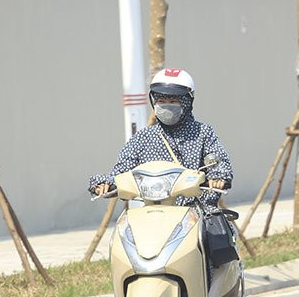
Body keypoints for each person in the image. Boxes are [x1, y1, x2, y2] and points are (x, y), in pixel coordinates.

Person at [89, 68, 233, 208]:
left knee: (219, 232)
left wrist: (218, 177)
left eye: (173, 101)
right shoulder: (143, 138)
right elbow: (121, 172)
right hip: (152, 213)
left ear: (187, 102)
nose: (166, 106)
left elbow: (219, 159)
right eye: (161, 101)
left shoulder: (203, 132)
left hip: (197, 211)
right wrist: (105, 184)